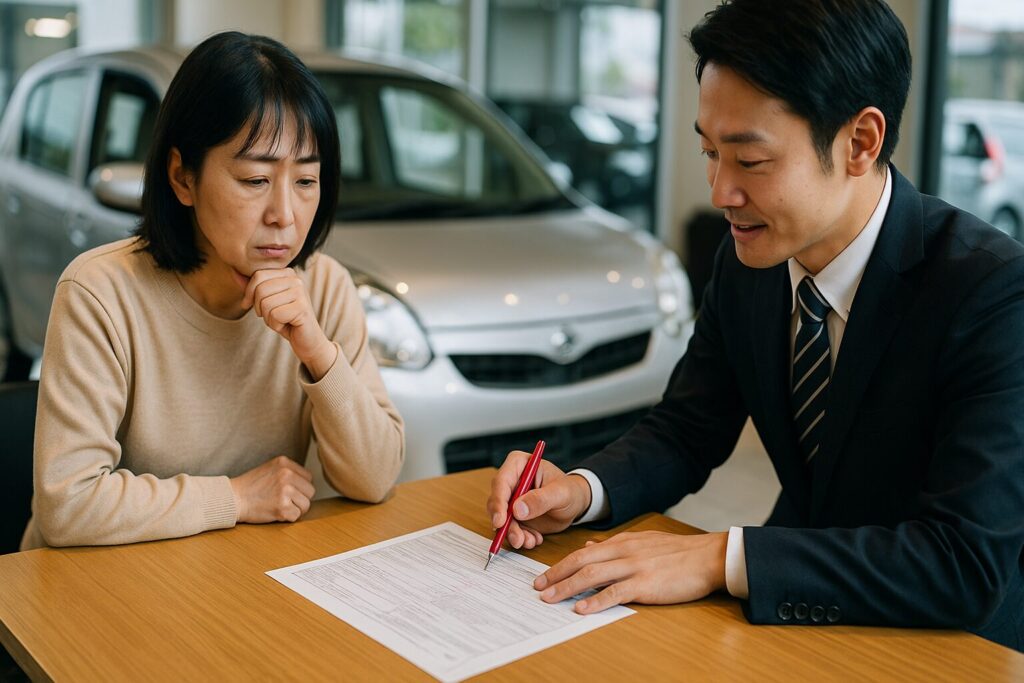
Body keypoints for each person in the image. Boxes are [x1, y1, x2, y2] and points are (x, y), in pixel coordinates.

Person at [487, 0, 1024, 651]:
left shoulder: (991, 291)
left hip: (949, 645)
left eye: (750, 160)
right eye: (710, 151)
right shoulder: (750, 262)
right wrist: (580, 491)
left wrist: (720, 558)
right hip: (793, 626)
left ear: (860, 141)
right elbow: (688, 427)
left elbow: (962, 563)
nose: (719, 191)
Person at [22, 32, 404, 549]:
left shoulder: (327, 287)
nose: (284, 216)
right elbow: (67, 504)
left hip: (229, 578)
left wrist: (316, 352)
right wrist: (237, 498)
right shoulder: (100, 293)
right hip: (95, 588)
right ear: (182, 177)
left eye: (306, 181)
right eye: (254, 180)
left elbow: (376, 479)